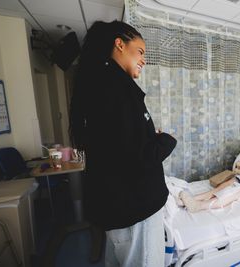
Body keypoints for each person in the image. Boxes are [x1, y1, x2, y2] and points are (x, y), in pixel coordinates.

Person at [69, 20, 176, 267]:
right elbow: (138, 157)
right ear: (119, 44)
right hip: (135, 209)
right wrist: (166, 141)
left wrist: (150, 137)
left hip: (119, 207)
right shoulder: (117, 90)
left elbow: (119, 147)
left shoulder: (102, 84)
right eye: (140, 51)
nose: (144, 60)